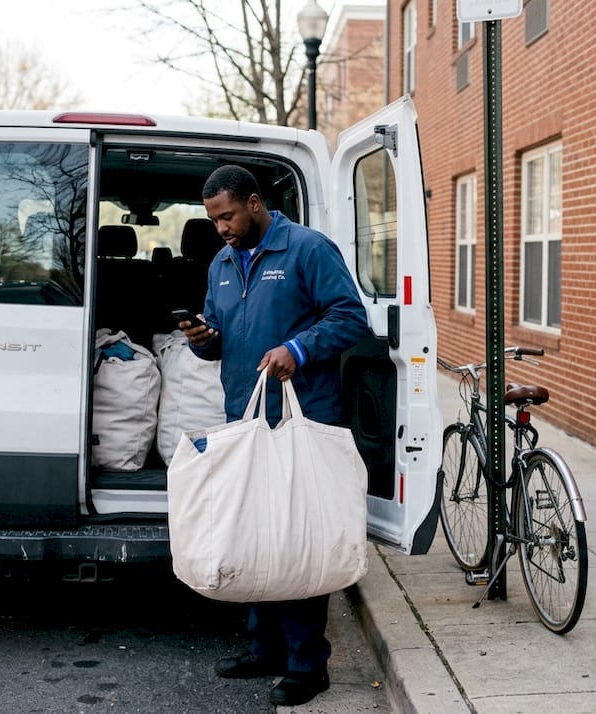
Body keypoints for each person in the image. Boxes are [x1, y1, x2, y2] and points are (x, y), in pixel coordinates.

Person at [181, 165, 369, 706]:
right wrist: (201, 338)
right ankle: (264, 649)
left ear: (255, 203)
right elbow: (221, 341)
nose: (221, 227)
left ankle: (309, 665)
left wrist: (299, 348)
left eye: (228, 215)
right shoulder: (221, 262)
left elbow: (350, 317)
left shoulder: (307, 249)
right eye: (213, 219)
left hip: (303, 418)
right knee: (256, 533)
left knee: (297, 538)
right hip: (246, 417)